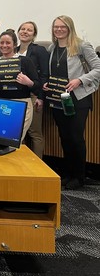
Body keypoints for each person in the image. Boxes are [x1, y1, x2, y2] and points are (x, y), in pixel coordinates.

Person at [44, 16, 100, 190]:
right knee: (65, 137)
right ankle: (68, 173)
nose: (59, 29)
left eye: (63, 27)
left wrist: (80, 80)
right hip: (59, 98)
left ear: (70, 28)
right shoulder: (52, 48)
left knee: (76, 138)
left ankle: (79, 176)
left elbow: (98, 68)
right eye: (56, 27)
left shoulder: (82, 45)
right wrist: (48, 83)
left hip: (78, 98)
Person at [0, 30, 40, 140]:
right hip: (1, 105)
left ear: (15, 45)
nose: (4, 45)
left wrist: (28, 82)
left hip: (22, 105)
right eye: (1, 43)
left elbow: (37, 86)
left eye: (8, 43)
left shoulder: (25, 61)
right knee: (1, 139)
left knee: (15, 140)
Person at [17, 21, 50, 157]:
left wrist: (41, 97)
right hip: (17, 96)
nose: (25, 32)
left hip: (33, 95)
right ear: (18, 32)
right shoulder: (13, 50)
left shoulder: (39, 50)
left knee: (34, 132)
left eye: (29, 30)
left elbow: (44, 75)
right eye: (22, 29)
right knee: (19, 132)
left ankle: (39, 170)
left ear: (34, 34)